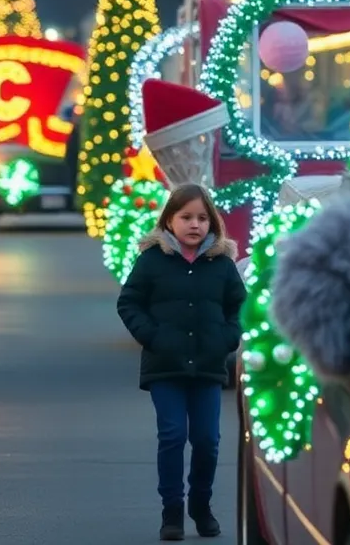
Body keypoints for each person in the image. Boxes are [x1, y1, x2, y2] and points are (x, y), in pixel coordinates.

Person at [116, 183, 246, 541]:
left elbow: (240, 306)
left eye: (202, 218)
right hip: (166, 366)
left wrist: (227, 338)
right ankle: (171, 511)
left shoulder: (221, 264)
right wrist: (153, 336)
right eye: (186, 217)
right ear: (169, 220)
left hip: (207, 366)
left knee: (207, 439)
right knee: (172, 435)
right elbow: (128, 303)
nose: (195, 225)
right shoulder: (153, 261)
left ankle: (201, 506)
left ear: (213, 223)